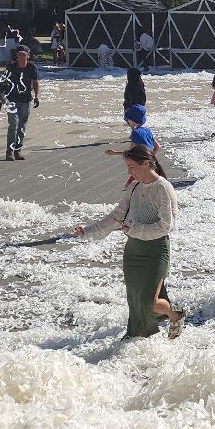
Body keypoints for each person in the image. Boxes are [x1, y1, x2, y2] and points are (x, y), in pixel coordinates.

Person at [72, 143, 178, 339]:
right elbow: (117, 215)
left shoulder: (163, 188)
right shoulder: (134, 186)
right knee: (135, 300)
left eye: (132, 166)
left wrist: (135, 229)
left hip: (156, 251)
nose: (129, 171)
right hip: (133, 251)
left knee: (149, 302)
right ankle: (136, 335)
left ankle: (176, 315)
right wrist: (86, 231)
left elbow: (166, 225)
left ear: (146, 164)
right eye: (127, 167)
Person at [0, 47, 41, 161]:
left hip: (25, 100)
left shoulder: (32, 67)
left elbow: (36, 82)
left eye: (24, 54)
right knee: (13, 125)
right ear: (16, 56)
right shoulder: (11, 66)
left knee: (21, 126)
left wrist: (37, 97)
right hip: (12, 100)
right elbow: (3, 80)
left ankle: (18, 150)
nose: (21, 56)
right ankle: (9, 151)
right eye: (19, 54)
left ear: (28, 55)